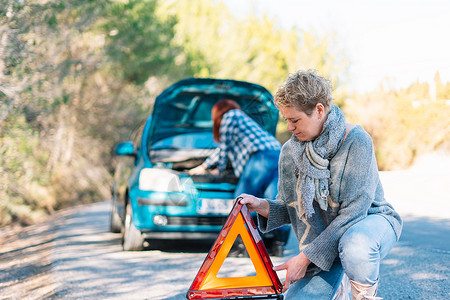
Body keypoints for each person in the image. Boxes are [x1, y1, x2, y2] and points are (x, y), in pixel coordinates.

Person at [239, 70, 402, 300]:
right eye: (287, 120)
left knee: (355, 247)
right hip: (324, 242)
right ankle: (340, 281)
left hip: (368, 223)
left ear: (318, 110)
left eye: (295, 120)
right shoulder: (289, 152)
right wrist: (261, 205)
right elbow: (290, 207)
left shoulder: (356, 140)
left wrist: (304, 258)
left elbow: (353, 214)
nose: (289, 128)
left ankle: (362, 293)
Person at [189, 99, 290, 254]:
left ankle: (242, 246)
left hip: (260, 158)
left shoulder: (230, 116)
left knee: (242, 201)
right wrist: (204, 166)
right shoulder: (241, 118)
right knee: (273, 201)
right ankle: (278, 244)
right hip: (277, 155)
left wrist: (220, 170)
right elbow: (223, 150)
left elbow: (224, 148)